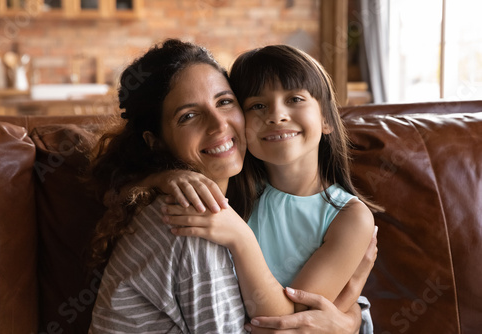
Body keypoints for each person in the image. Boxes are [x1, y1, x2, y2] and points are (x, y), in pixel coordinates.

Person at [158, 45, 380, 330]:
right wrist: (165, 177)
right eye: (258, 106)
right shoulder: (234, 185)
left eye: (295, 98)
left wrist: (241, 239)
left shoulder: (349, 218)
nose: (276, 115)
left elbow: (288, 325)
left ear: (326, 118)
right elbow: (120, 181)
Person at [87, 39, 250, 333]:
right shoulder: (191, 220)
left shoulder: (183, 201)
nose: (218, 125)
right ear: (156, 142)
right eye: (188, 116)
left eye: (224, 101)